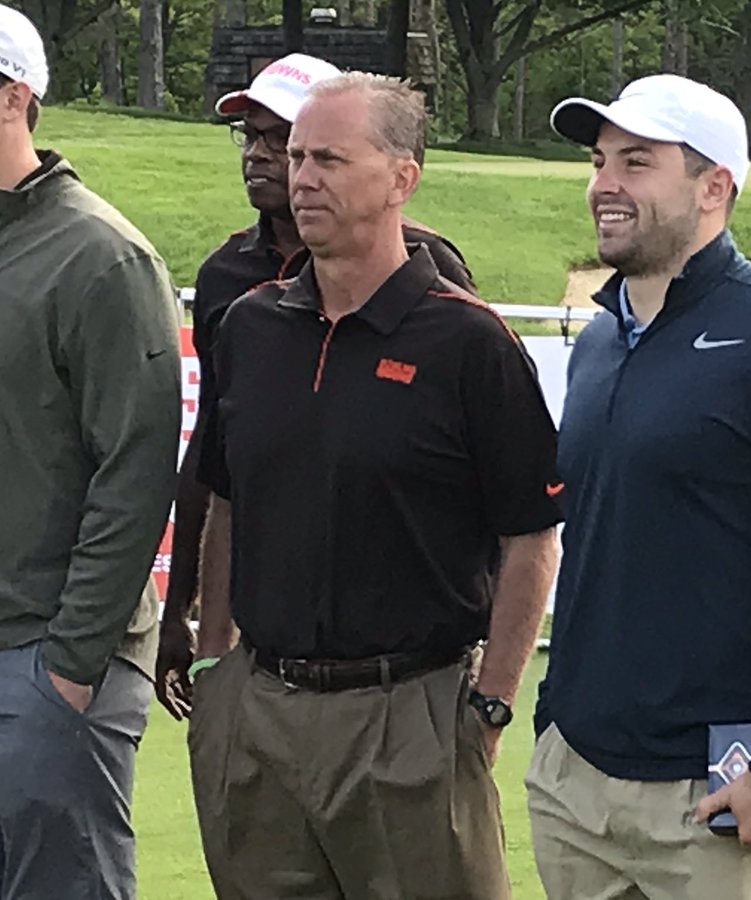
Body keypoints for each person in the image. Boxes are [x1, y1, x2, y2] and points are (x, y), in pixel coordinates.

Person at [189, 72, 562, 899]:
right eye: (295, 157)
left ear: (402, 178)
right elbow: (222, 496)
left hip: (411, 709)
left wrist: (489, 705)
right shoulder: (250, 325)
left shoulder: (469, 342)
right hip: (260, 707)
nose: (302, 177)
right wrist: (216, 664)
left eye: (329, 157)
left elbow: (531, 534)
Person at [527, 73, 751, 900]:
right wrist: (554, 727)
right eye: (600, 159)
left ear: (714, 186)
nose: (604, 185)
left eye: (638, 162)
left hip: (727, 796)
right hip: (578, 785)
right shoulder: (602, 337)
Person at [155, 54, 477, 719]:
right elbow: (216, 459)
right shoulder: (224, 276)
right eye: (255, 137)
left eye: (289, 140)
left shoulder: (429, 266)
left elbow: (481, 468)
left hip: (401, 651)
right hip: (261, 632)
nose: (264, 156)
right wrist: (177, 609)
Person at [0, 5, 181, 897]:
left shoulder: (101, 257)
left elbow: (137, 474)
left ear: (12, 97)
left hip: (44, 661)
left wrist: (68, 671)